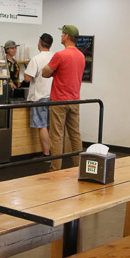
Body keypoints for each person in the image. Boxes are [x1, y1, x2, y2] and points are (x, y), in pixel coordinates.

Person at [42, 24, 85, 171]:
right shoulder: (81, 56)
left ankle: (56, 169)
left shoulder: (60, 55)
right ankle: (78, 166)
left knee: (57, 136)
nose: (61, 36)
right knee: (75, 135)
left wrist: (55, 72)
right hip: (75, 100)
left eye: (62, 34)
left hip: (59, 100)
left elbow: (45, 73)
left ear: (66, 36)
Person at [24, 33, 54, 156]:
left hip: (39, 96)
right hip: (53, 96)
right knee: (50, 126)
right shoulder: (55, 57)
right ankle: (54, 151)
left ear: (40, 42)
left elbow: (26, 78)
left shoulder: (36, 59)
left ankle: (46, 153)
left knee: (42, 125)